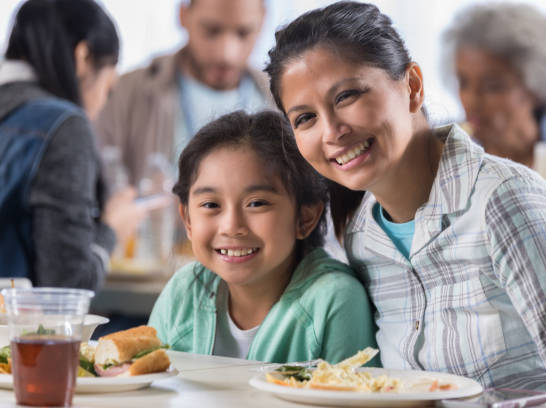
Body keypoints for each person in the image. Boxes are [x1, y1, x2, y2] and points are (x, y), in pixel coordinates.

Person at [264, 1, 546, 405]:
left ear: (412, 85)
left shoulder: (504, 201)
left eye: (347, 96)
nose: (331, 131)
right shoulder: (363, 237)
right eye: (305, 118)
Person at [148, 110, 378, 364]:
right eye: (211, 205)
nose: (232, 226)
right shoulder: (184, 291)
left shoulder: (334, 299)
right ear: (188, 219)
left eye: (257, 203)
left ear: (305, 218)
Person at [442, 3, 546, 272]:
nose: (471, 101)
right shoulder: (440, 153)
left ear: (535, 87)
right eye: (463, 82)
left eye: (492, 86)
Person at [0, 0, 145, 289]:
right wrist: (111, 229)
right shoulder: (63, 126)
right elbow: (68, 285)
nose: (102, 104)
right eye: (108, 89)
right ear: (82, 56)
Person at [95, 0, 273, 185]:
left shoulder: (280, 97)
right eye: (211, 31)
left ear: (263, 22)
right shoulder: (126, 91)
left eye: (243, 33)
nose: (226, 54)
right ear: (182, 15)